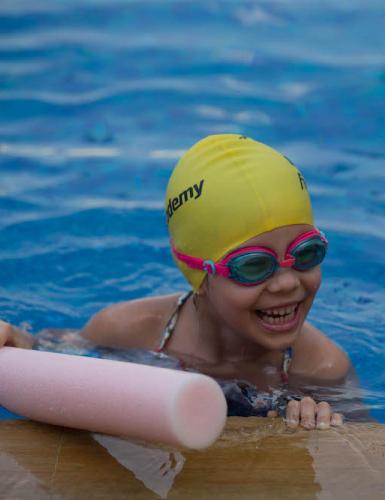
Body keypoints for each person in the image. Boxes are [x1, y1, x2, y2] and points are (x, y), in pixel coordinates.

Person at [1, 134, 358, 429]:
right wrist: (19, 344)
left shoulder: (321, 368)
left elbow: (372, 450)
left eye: (306, 253)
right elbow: (59, 356)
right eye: (253, 266)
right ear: (199, 275)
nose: (286, 283)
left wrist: (321, 424)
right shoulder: (129, 330)